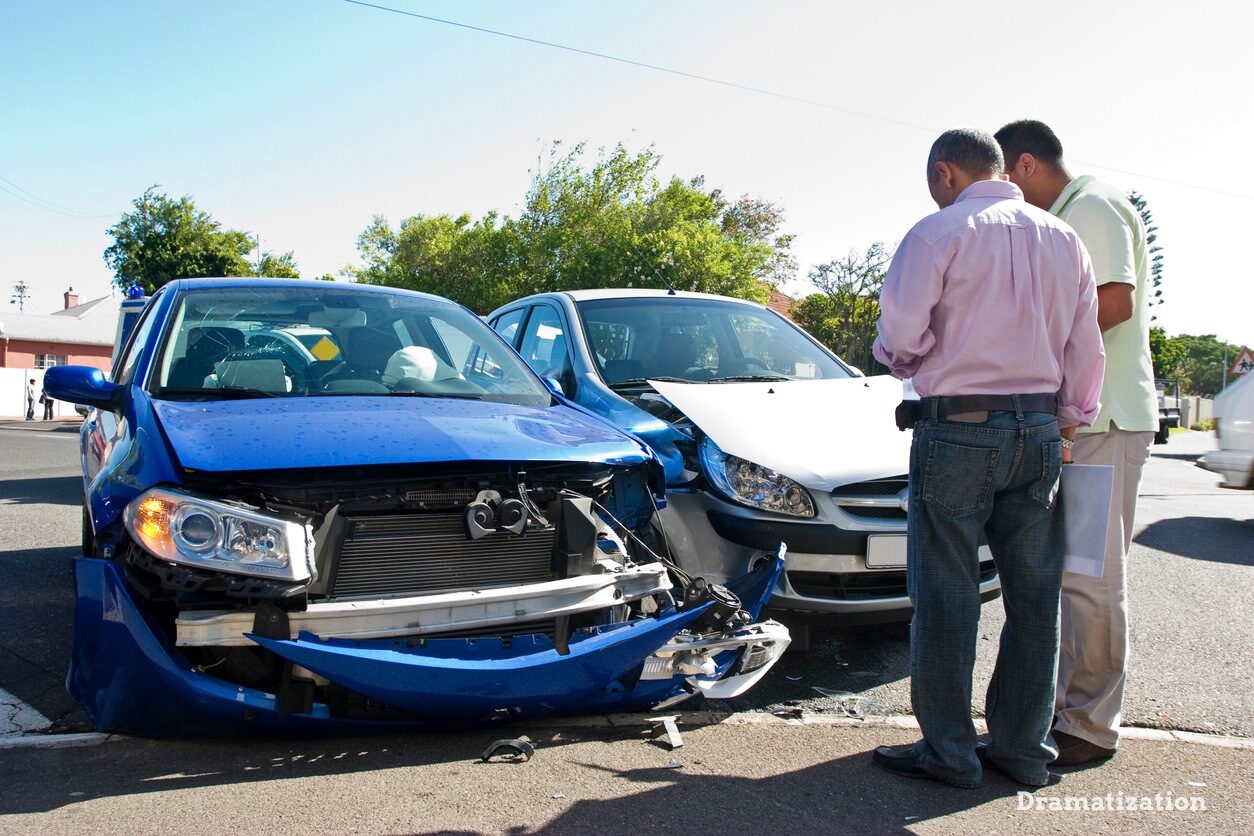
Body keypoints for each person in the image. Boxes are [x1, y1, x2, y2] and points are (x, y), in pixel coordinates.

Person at [870, 128, 1104, 788]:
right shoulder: (1062, 238)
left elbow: (900, 337)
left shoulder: (939, 233)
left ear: (946, 174)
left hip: (958, 431)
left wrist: (904, 358)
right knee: (1034, 598)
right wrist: (1066, 421)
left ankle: (948, 753)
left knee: (947, 596)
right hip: (1038, 431)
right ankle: (1022, 751)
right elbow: (1087, 348)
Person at [995, 120, 1159, 767]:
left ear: (1026, 165)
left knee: (1090, 577)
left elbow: (1114, 302)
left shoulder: (1089, 207)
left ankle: (1089, 727)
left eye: (1004, 178)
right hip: (1084, 423)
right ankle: (1070, 713)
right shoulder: (1071, 211)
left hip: (1106, 421)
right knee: (1075, 575)